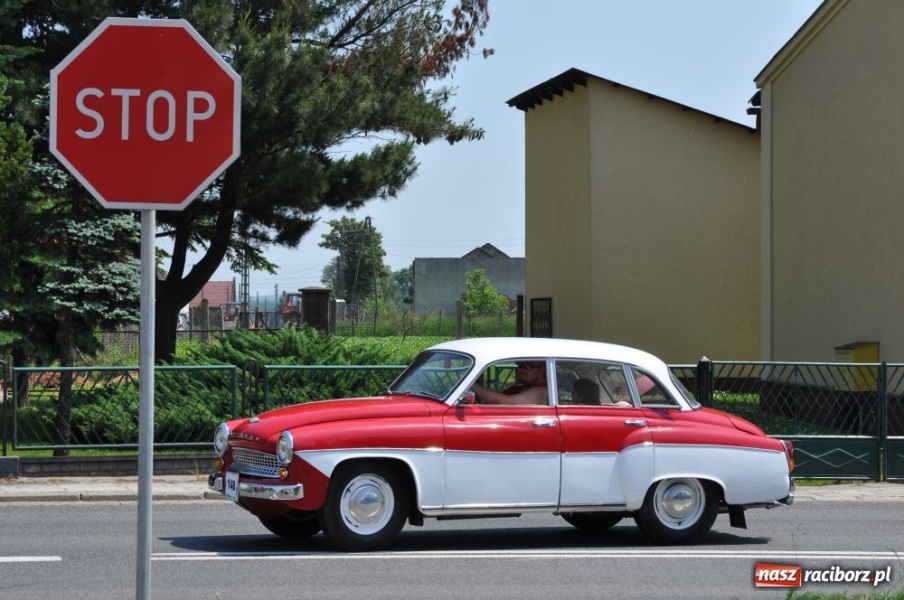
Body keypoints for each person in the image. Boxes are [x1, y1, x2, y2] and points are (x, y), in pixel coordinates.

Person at [471, 361, 548, 405]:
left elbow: (504, 402)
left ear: (541, 370)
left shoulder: (542, 391)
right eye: (520, 365)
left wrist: (471, 385)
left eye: (528, 366)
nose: (521, 369)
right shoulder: (516, 389)